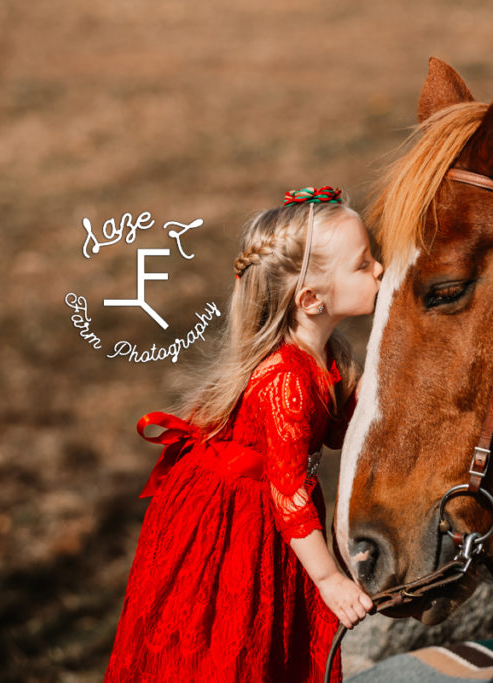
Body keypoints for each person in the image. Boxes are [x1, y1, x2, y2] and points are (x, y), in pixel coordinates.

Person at [105, 186, 381, 682]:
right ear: (311, 299)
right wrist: (329, 580)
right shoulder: (287, 380)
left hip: (273, 511)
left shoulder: (330, 353)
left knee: (276, 643)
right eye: (363, 264)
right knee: (225, 646)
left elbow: (340, 432)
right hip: (232, 519)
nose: (379, 269)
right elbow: (290, 493)